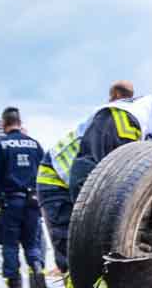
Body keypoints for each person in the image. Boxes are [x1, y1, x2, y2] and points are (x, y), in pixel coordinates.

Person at [37, 81, 139, 272]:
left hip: (77, 181)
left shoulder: (125, 119)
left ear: (114, 95)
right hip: (56, 180)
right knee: (73, 250)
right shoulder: (109, 119)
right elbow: (83, 175)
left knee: (84, 251)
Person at [0, 108, 47, 288]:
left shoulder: (0, 145)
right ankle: (36, 266)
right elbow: (44, 176)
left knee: (10, 245)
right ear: (20, 121)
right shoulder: (35, 145)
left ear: (4, 123)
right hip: (33, 202)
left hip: (11, 202)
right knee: (31, 243)